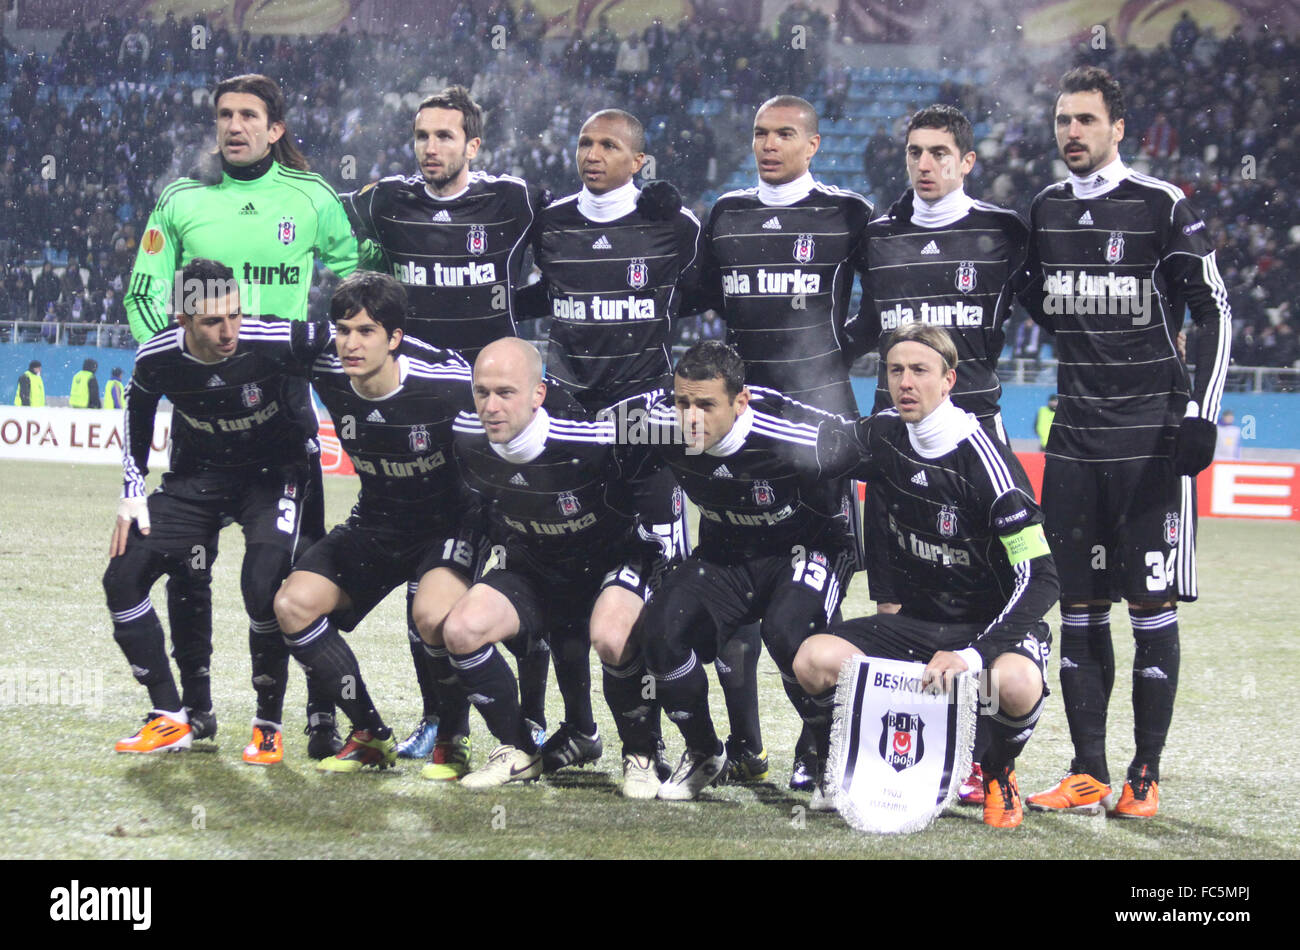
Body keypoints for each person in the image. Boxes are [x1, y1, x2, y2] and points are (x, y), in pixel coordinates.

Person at [124, 74, 365, 759]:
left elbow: (354, 288)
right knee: (185, 567)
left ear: (275, 127)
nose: (234, 126)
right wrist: (190, 366)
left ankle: (319, 717)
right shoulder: (182, 199)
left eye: (249, 115)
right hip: (203, 418)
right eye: (224, 114)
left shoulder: (311, 199)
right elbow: (144, 296)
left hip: (282, 408)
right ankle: (195, 713)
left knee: (301, 569)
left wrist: (319, 353)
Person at [1019, 67, 1231, 818]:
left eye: (1085, 119)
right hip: (1073, 438)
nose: (1071, 132)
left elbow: (1213, 311)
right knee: (1075, 609)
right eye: (1062, 120)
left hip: (1150, 442)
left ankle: (1145, 774)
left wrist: (1201, 413)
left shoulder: (1159, 205)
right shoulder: (1043, 210)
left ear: (1117, 129)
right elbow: (1039, 304)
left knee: (1150, 608)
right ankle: (1087, 771)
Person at [339, 85, 551, 759]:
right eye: (422, 135)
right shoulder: (387, 200)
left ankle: (536, 718)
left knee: (529, 560)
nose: (431, 147)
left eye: (445, 136)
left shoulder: (512, 200)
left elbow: (575, 233)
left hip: (500, 415)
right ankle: (439, 720)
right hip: (428, 418)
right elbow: (319, 215)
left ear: (473, 145)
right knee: (425, 571)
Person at [521, 107, 732, 776]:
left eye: (609, 145)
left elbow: (702, 292)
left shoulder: (673, 222)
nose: (593, 153)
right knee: (563, 591)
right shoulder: (550, 220)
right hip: (570, 427)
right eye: (585, 141)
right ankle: (579, 729)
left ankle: (676, 742)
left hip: (644, 431)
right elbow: (527, 295)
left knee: (657, 598)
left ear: (639, 161)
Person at [792, 322, 1058, 828]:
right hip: (918, 626)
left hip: (985, 633)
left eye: (919, 370)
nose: (906, 382)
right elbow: (817, 447)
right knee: (815, 659)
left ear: (949, 380)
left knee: (1016, 684)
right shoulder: (886, 433)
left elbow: (1042, 578)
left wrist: (973, 654)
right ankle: (854, 762)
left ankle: (998, 769)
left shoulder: (987, 463)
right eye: (895, 370)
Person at [848, 103, 1031, 803]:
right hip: (892, 442)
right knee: (895, 602)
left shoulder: (1004, 233)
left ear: (966, 161)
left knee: (985, 599)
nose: (924, 164)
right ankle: (913, 760)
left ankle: (987, 761)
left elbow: (1047, 303)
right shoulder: (879, 234)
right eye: (914, 153)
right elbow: (865, 325)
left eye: (938, 153)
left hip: (974, 443)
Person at [693, 94, 874, 789]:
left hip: (815, 434)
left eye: (785, 134)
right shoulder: (728, 213)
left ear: (815, 143)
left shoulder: (846, 213)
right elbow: (704, 296)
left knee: (805, 604)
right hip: (735, 433)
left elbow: (880, 306)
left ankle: (818, 743)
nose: (769, 145)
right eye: (761, 133)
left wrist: (831, 361)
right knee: (730, 586)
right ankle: (745, 745)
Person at [103, 259, 339, 759]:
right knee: (122, 578)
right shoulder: (157, 358)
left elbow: (355, 345)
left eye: (234, 314)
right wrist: (132, 490)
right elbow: (137, 413)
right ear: (182, 320)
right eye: (214, 321)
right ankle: (171, 717)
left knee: (262, 584)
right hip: (199, 479)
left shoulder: (274, 339)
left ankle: (267, 723)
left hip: (274, 477)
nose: (230, 330)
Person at [272, 272, 477, 773]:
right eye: (343, 330)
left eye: (366, 332)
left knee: (431, 617)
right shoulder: (326, 365)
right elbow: (254, 337)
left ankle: (453, 737)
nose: (351, 344)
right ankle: (369, 733)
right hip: (377, 519)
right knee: (292, 605)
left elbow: (517, 404)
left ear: (395, 338)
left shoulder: (446, 382)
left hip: (447, 525)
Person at [635, 341, 858, 800]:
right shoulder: (657, 426)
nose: (690, 417)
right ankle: (704, 752)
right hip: (727, 553)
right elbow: (590, 443)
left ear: (741, 402)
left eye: (705, 405)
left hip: (807, 549)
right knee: (659, 632)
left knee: (788, 633)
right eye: (682, 402)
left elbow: (875, 467)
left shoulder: (796, 433)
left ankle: (836, 755)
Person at [445, 338, 670, 793]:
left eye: (505, 392)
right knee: (461, 629)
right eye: (481, 391)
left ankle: (641, 752)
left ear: (538, 394)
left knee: (611, 635)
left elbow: (677, 434)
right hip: (535, 567)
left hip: (610, 563)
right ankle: (517, 748)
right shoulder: (466, 441)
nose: (490, 406)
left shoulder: (593, 439)